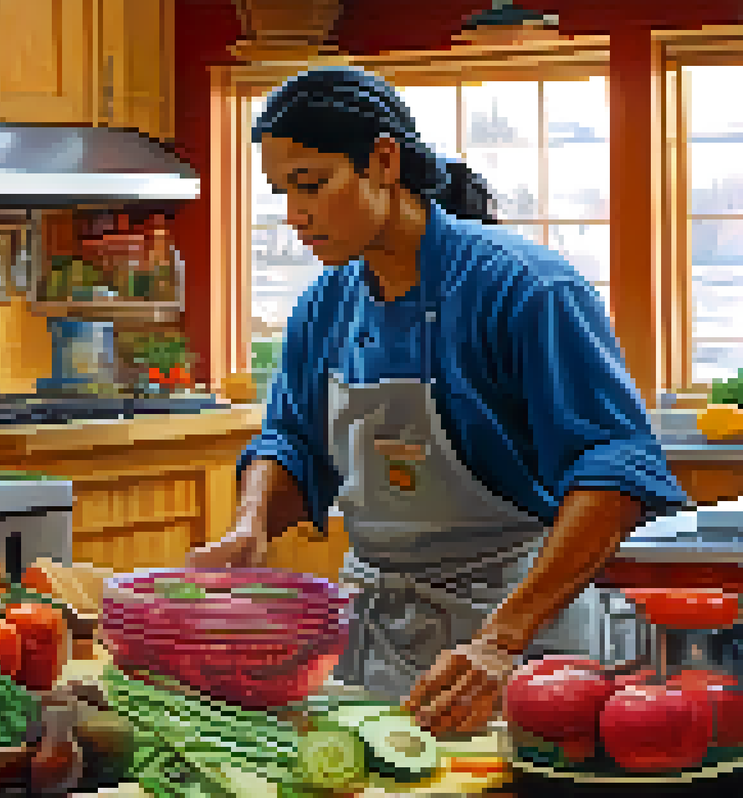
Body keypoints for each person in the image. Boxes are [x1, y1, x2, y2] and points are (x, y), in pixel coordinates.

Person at [186, 66, 690, 737]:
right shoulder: (324, 307)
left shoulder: (526, 289)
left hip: (524, 653)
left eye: (311, 185)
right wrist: (250, 527)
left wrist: (501, 641)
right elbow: (291, 443)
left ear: (384, 160)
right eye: (282, 192)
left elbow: (615, 470)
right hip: (376, 653)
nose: (294, 215)